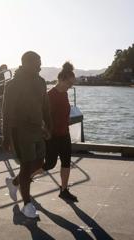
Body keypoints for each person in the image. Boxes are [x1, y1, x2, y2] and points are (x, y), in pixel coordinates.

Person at [3, 51, 51, 218]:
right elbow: (6, 112)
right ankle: (27, 204)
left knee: (39, 164)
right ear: (27, 64)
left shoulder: (41, 82)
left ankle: (14, 182)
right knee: (26, 165)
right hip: (20, 131)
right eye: (37, 62)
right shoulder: (13, 85)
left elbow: (45, 106)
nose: (40, 65)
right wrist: (5, 137)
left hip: (37, 130)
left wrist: (48, 126)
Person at [42, 62, 78, 202]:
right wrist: (46, 133)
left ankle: (64, 190)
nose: (70, 87)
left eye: (72, 85)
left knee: (66, 162)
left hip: (64, 134)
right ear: (62, 80)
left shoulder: (64, 94)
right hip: (52, 136)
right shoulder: (50, 95)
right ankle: (24, 178)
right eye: (69, 84)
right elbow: (44, 117)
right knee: (49, 164)